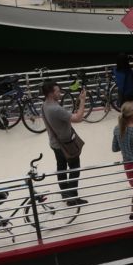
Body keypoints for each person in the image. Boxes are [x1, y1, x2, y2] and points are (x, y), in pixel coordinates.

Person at [41, 79, 88, 207]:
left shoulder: (45, 105)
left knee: (61, 168)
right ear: (51, 94)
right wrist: (83, 100)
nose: (60, 92)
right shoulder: (55, 109)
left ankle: (65, 193)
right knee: (74, 168)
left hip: (54, 143)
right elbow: (78, 118)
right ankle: (72, 198)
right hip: (66, 145)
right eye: (57, 91)